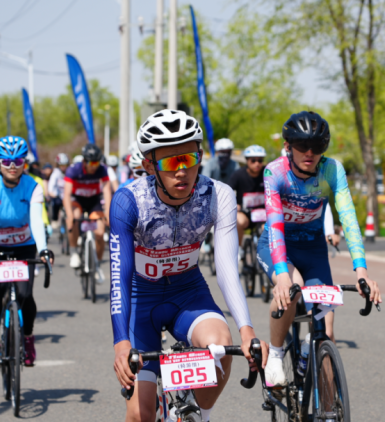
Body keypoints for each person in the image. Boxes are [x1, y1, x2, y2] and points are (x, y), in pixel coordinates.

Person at [110, 109, 268, 422]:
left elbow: (226, 267)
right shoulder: (128, 201)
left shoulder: (218, 194)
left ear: (200, 157)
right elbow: (120, 277)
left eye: (189, 159)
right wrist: (121, 344)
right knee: (140, 415)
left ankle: (198, 416)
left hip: (188, 293)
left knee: (221, 347)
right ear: (149, 166)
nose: (182, 171)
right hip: (141, 299)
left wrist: (247, 331)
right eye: (171, 163)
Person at [258, 111, 381, 386]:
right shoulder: (275, 172)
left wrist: (362, 271)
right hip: (278, 246)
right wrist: (282, 275)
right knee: (291, 290)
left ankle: (328, 402)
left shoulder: (332, 170)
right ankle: (275, 354)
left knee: (327, 330)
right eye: (302, 145)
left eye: (317, 146)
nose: (310, 153)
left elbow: (348, 219)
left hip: (313, 249)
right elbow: (275, 226)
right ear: (288, 146)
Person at [0, 136, 53, 366]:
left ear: (24, 163)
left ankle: (27, 338)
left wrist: (43, 249)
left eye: (17, 161)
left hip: (24, 245)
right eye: (6, 162)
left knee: (25, 294)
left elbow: (36, 221)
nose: (12, 166)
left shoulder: (33, 187)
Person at [63, 144, 111, 282]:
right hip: (77, 200)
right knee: (74, 218)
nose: (94, 166)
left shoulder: (102, 169)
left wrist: (108, 213)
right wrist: (69, 215)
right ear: (84, 161)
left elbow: (107, 191)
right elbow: (66, 195)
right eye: (92, 163)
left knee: (100, 233)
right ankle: (74, 252)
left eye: (97, 163)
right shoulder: (73, 170)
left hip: (93, 201)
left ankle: (97, 265)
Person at [227, 145, 267, 255]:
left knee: (269, 227)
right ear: (247, 160)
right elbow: (227, 191)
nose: (257, 163)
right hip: (245, 213)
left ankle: (268, 254)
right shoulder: (238, 175)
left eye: (260, 160)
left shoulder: (267, 173)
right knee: (239, 222)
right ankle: (238, 250)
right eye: (253, 160)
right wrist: (234, 204)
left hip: (263, 214)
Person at [47, 153, 69, 230]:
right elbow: (50, 188)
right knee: (56, 203)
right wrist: (53, 194)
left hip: (67, 197)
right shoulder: (55, 173)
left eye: (65, 165)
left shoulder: (69, 172)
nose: (63, 167)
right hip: (58, 197)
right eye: (61, 165)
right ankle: (55, 219)